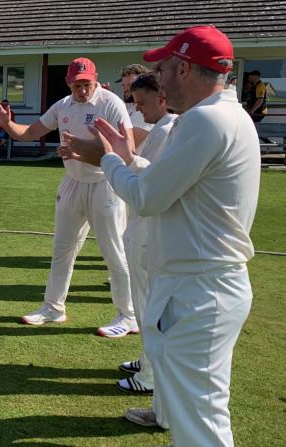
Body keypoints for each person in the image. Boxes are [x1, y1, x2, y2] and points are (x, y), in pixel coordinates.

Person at [61, 25, 260, 447]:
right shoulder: (224, 115)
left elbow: (148, 199)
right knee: (194, 412)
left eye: (166, 67)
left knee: (202, 426)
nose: (161, 79)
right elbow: (169, 186)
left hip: (200, 289)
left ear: (185, 68)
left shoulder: (206, 120)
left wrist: (110, 159)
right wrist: (130, 159)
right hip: (198, 284)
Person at [0, 57, 137, 337]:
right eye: (77, 85)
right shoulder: (63, 105)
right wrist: (8, 125)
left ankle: (128, 316)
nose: (83, 90)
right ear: (68, 83)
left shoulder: (111, 103)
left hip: (104, 183)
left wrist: (83, 151)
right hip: (72, 182)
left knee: (114, 252)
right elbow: (31, 132)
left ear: (95, 81)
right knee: (62, 249)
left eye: (87, 85)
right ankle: (53, 308)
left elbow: (126, 146)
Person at [113, 72, 177, 399]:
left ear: (161, 97)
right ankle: (146, 360)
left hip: (150, 231)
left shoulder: (168, 129)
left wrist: (115, 158)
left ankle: (151, 375)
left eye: (142, 103)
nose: (139, 111)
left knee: (150, 306)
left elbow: (148, 180)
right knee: (142, 303)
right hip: (140, 226)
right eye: (134, 103)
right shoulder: (161, 129)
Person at [117, 64, 153, 150]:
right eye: (123, 85)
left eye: (130, 85)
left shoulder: (145, 110)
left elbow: (129, 145)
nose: (126, 89)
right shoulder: (129, 107)